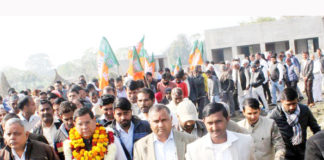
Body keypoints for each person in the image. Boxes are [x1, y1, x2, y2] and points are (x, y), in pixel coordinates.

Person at [185, 102, 255, 160]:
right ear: (204, 122)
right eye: (210, 123)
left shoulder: (245, 142)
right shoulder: (194, 150)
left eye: (218, 122)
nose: (215, 128)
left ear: (227, 119)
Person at [267, 87, 320, 159]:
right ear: (282, 101)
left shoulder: (304, 110)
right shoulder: (274, 116)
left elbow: (316, 129)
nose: (292, 107)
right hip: (285, 154)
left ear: (297, 100)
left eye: (294, 103)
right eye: (288, 104)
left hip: (303, 151)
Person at [63, 107, 127, 160]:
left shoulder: (110, 139)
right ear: (75, 124)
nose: (84, 127)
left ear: (94, 120)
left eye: (87, 122)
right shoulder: (69, 145)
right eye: (80, 124)